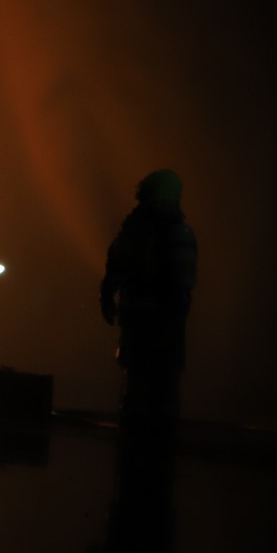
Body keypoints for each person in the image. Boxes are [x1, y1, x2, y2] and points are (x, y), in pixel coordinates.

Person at [100, 169, 197, 431]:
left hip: (138, 319)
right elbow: (185, 281)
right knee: (165, 384)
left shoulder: (133, 232)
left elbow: (115, 269)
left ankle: (136, 435)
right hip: (167, 321)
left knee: (137, 384)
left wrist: (107, 296)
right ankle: (160, 437)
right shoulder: (181, 234)